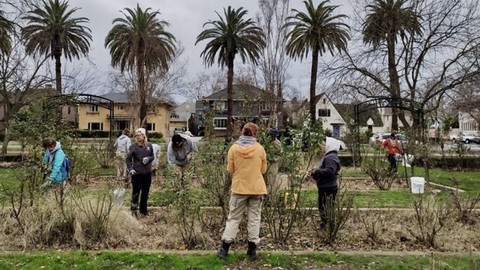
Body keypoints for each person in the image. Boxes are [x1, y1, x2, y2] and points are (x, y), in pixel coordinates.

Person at [217, 122, 267, 260]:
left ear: (242, 132)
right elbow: (263, 170)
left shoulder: (233, 149)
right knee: (254, 219)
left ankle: (224, 249)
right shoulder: (260, 149)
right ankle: (251, 250)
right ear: (255, 134)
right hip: (257, 188)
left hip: (239, 188)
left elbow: (230, 169)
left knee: (233, 218)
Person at [308, 137, 342, 229]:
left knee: (326, 207)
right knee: (325, 206)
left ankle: (328, 225)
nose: (322, 147)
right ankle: (327, 224)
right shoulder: (329, 156)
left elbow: (330, 171)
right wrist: (315, 174)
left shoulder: (330, 157)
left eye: (323, 145)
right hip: (326, 185)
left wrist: (317, 172)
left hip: (328, 187)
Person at [126, 129, 154, 217]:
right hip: (137, 173)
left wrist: (148, 159)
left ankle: (143, 211)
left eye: (139, 135)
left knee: (145, 192)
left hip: (147, 173)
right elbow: (128, 159)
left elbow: (152, 156)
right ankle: (134, 210)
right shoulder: (133, 147)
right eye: (136, 136)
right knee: (136, 193)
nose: (138, 137)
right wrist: (130, 169)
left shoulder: (149, 145)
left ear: (143, 136)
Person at [266, 128, 282, 194]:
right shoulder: (270, 142)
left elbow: (276, 154)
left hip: (274, 163)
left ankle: (271, 194)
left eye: (270, 135)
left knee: (272, 179)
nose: (268, 137)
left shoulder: (276, 143)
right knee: (268, 179)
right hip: (269, 162)